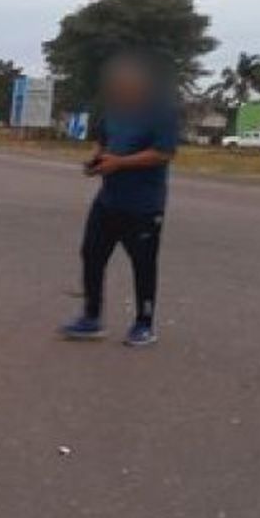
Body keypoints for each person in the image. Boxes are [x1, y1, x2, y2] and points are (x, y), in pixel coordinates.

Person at [60, 55, 178, 347]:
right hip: (108, 199)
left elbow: (164, 153)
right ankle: (92, 317)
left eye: (123, 85)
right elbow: (104, 141)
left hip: (144, 204)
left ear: (139, 85)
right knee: (91, 255)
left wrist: (120, 163)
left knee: (143, 264)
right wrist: (97, 160)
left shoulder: (161, 111)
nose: (118, 91)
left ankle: (143, 324)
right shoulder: (112, 110)